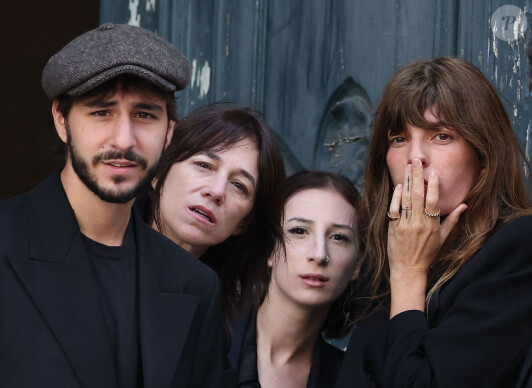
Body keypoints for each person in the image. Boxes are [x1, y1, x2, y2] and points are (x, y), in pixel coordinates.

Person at [0, 23, 224, 388]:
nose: (124, 139)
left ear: (169, 131)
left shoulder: (194, 284)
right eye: (101, 112)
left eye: (144, 115)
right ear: (62, 121)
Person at [336, 57, 532, 388]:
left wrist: (410, 275)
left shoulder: (517, 245)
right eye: (398, 138)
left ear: (483, 156)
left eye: (441, 136)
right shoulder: (385, 257)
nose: (415, 156)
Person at [140, 103, 286, 329]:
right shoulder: (89, 263)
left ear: (244, 222)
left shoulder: (223, 325)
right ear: (158, 174)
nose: (217, 191)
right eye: (204, 165)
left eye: (239, 186)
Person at [227, 171, 362, 388]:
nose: (319, 254)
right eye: (299, 231)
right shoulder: (209, 338)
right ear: (269, 248)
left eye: (339, 237)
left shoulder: (350, 379)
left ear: (357, 264)